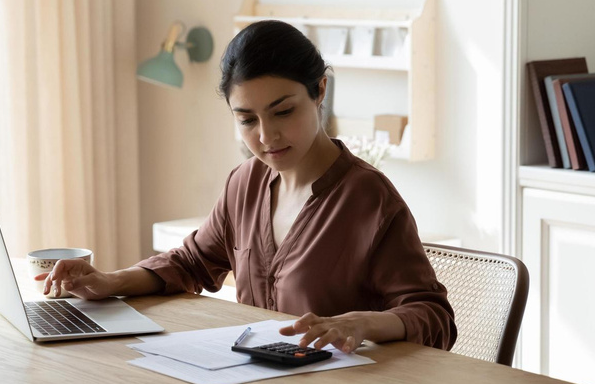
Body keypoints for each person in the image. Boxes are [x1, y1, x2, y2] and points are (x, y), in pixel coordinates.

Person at [39, 20, 457, 353]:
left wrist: (362, 322)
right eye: (247, 120)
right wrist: (111, 282)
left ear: (320, 92)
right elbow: (190, 263)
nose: (267, 136)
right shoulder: (245, 183)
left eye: (283, 111)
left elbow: (434, 317)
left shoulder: (369, 199)